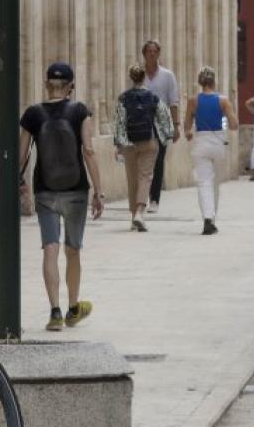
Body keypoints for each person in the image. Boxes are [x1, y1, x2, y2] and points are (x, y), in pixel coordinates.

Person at [17, 62, 104, 332]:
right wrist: (98, 192)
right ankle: (73, 308)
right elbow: (88, 150)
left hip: (45, 190)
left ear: (46, 85)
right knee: (73, 250)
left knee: (50, 249)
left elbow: (21, 155)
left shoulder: (33, 114)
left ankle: (54, 312)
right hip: (76, 190)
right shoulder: (79, 111)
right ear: (71, 87)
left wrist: (21, 184)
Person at [115, 65, 170, 232]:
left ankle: (133, 217)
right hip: (149, 140)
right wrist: (165, 135)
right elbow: (163, 116)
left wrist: (118, 143)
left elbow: (119, 121)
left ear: (132, 78)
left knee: (132, 178)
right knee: (145, 176)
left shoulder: (123, 98)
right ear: (144, 77)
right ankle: (140, 212)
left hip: (129, 143)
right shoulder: (153, 97)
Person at [187, 67, 230, 235]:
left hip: (201, 143)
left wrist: (188, 131)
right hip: (218, 143)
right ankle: (212, 218)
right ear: (213, 81)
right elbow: (233, 123)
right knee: (215, 183)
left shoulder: (193, 101)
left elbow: (187, 126)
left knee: (204, 182)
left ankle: (207, 217)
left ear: (200, 82)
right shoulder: (223, 101)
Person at [141, 40, 181, 212]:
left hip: (162, 124)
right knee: (143, 162)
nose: (151, 54)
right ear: (144, 54)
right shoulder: (139, 75)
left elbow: (173, 101)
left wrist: (176, 125)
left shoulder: (167, 75)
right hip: (142, 123)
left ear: (158, 53)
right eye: (148, 51)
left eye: (154, 51)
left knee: (158, 161)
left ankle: (154, 199)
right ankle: (142, 196)